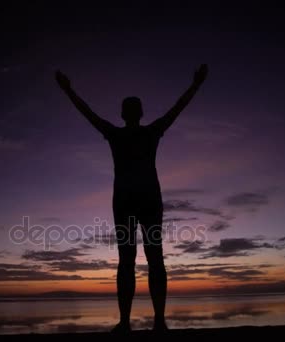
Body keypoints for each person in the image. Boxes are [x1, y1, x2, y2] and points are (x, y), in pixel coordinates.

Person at [55, 64, 208, 333]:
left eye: (132, 107)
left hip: (136, 200)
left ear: (127, 113)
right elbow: (175, 109)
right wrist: (69, 90)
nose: (132, 111)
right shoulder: (132, 133)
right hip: (136, 201)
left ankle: (149, 321)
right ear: (133, 113)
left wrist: (69, 90)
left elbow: (176, 109)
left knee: (144, 259)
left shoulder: (137, 132)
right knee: (142, 259)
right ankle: (138, 321)